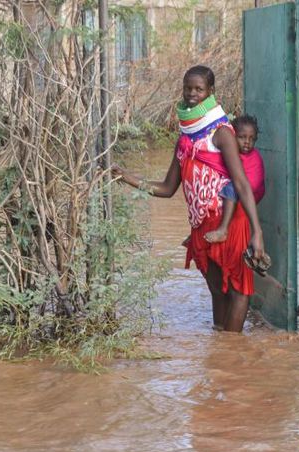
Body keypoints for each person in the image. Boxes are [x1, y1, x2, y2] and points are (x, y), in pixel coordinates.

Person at [112, 65, 266, 332]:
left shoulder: (222, 133)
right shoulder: (184, 138)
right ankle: (221, 352)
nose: (192, 94)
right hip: (201, 228)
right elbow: (167, 187)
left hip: (229, 223)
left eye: (199, 89)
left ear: (210, 92)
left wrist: (257, 232)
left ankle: (231, 357)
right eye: (188, 88)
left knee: (240, 291)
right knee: (218, 292)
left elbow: (240, 183)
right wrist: (125, 177)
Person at [202, 114, 265, 244]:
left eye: (251, 139)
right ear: (233, 137)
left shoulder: (252, 156)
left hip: (250, 189)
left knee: (230, 187)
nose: (247, 142)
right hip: (246, 188)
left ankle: (223, 229)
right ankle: (199, 228)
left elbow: (245, 182)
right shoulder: (233, 152)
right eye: (242, 137)